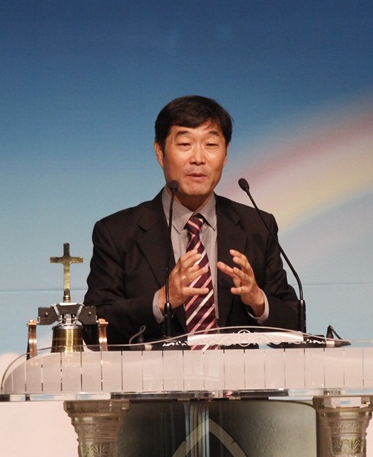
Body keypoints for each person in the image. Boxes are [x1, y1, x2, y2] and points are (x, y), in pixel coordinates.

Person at [84, 95, 300, 344]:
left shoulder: (257, 227)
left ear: (225, 155)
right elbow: (94, 327)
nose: (198, 158)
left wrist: (258, 301)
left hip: (234, 370)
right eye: (185, 144)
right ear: (160, 153)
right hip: (154, 370)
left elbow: (296, 327)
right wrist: (160, 301)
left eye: (211, 144)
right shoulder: (117, 233)